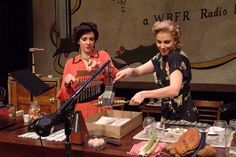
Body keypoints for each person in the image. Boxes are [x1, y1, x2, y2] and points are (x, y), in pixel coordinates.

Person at [113, 20, 198, 122]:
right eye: (159, 42)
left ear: (175, 41)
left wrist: (143, 94)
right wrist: (129, 70)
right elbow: (138, 71)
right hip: (168, 114)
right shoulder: (160, 57)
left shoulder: (176, 58)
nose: (162, 46)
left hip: (183, 117)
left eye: (167, 42)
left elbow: (174, 90)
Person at [57, 22, 119, 119]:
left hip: (102, 105)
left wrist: (101, 69)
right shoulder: (71, 63)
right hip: (81, 109)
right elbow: (64, 96)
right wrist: (67, 84)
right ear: (78, 41)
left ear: (95, 41)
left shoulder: (102, 55)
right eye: (84, 39)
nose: (88, 42)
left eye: (91, 39)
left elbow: (115, 75)